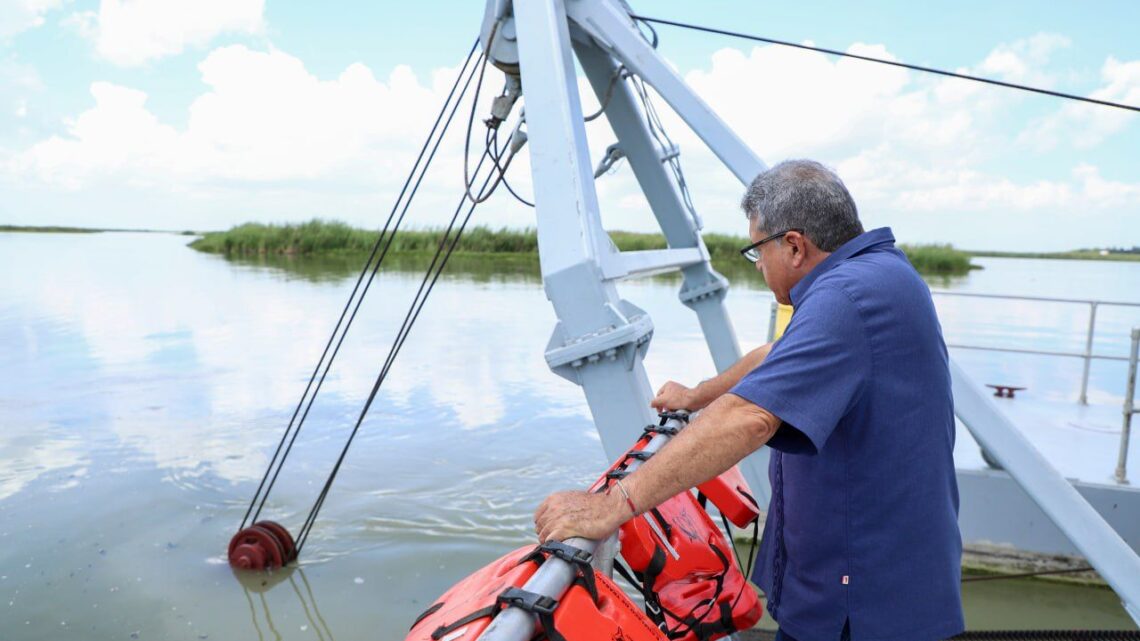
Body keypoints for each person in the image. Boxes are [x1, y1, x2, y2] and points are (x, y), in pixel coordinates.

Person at [533, 159, 965, 641]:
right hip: (883, 585)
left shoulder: (846, 296)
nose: (758, 265)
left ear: (795, 246)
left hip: (862, 605)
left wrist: (613, 506)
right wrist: (697, 395)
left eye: (757, 250)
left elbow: (750, 417)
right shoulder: (878, 276)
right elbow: (774, 356)